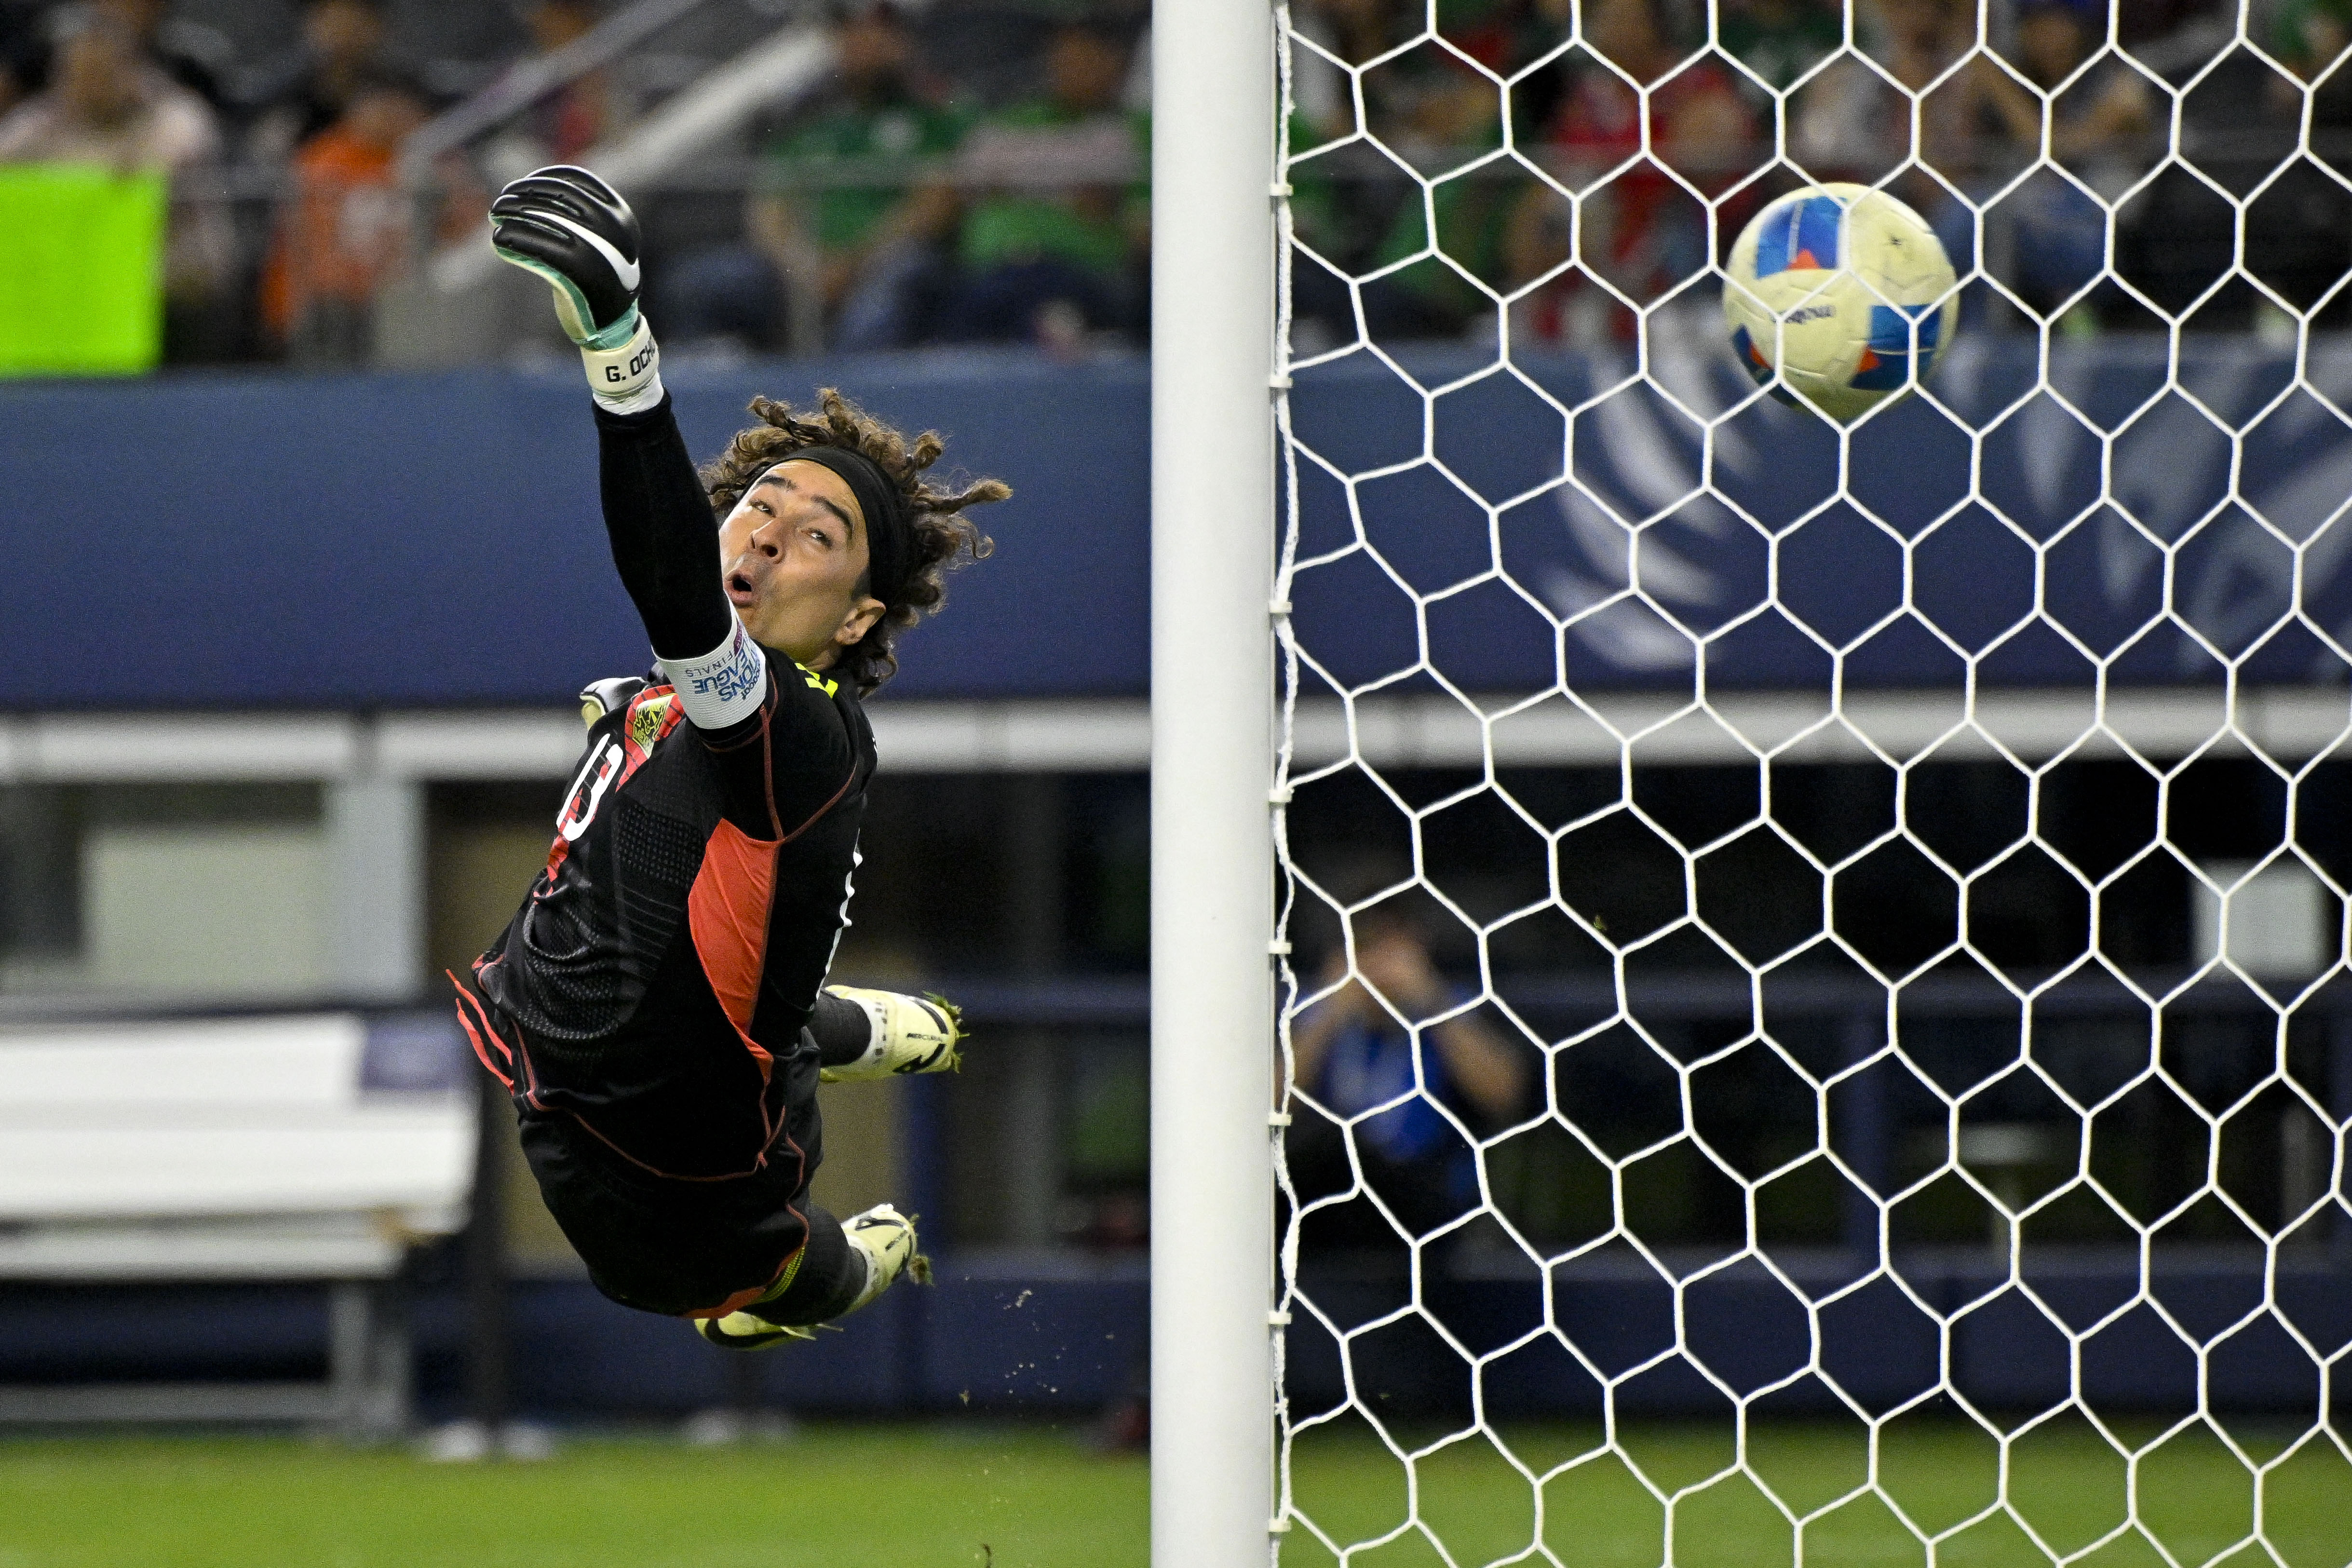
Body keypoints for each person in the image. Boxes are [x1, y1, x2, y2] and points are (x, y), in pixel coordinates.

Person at [454, 165, 1010, 1349]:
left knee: (768, 1278)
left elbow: (669, 588)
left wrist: (617, 345)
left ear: (857, 616)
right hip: (583, 1068)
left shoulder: (803, 733)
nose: (766, 526)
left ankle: (857, 1258)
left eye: (817, 535)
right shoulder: (677, 701)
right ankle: (845, 1026)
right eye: (758, 498)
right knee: (741, 997)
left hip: (693, 1182)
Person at [1287, 903, 1529, 1248]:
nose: (1380, 968)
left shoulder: (1451, 1009)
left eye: (1393, 952)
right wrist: (1329, 1012)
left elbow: (1505, 1095)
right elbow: (1269, 1105)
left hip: (1425, 1204)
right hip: (1326, 1206)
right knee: (1330, 1150)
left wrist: (1433, 1002)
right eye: (1366, 948)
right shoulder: (1313, 1016)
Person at [738, 0, 968, 352]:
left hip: (890, 262)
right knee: (704, 283)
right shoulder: (809, 120)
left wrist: (854, 264)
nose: (865, 41)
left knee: (882, 300)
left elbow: (936, 204)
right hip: (804, 269)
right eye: (852, 29)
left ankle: (845, 401)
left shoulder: (936, 117)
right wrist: (805, 268)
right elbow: (770, 209)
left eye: (878, 28)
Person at [938, 19, 1147, 347]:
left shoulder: (1139, 128)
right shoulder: (1014, 120)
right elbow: (967, 179)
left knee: (1046, 317)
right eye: (1063, 61)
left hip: (1081, 274)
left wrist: (1017, 181)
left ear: (1114, 64)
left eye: (1085, 62)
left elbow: (1139, 225)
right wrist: (1067, 186)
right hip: (991, 272)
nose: (1071, 71)